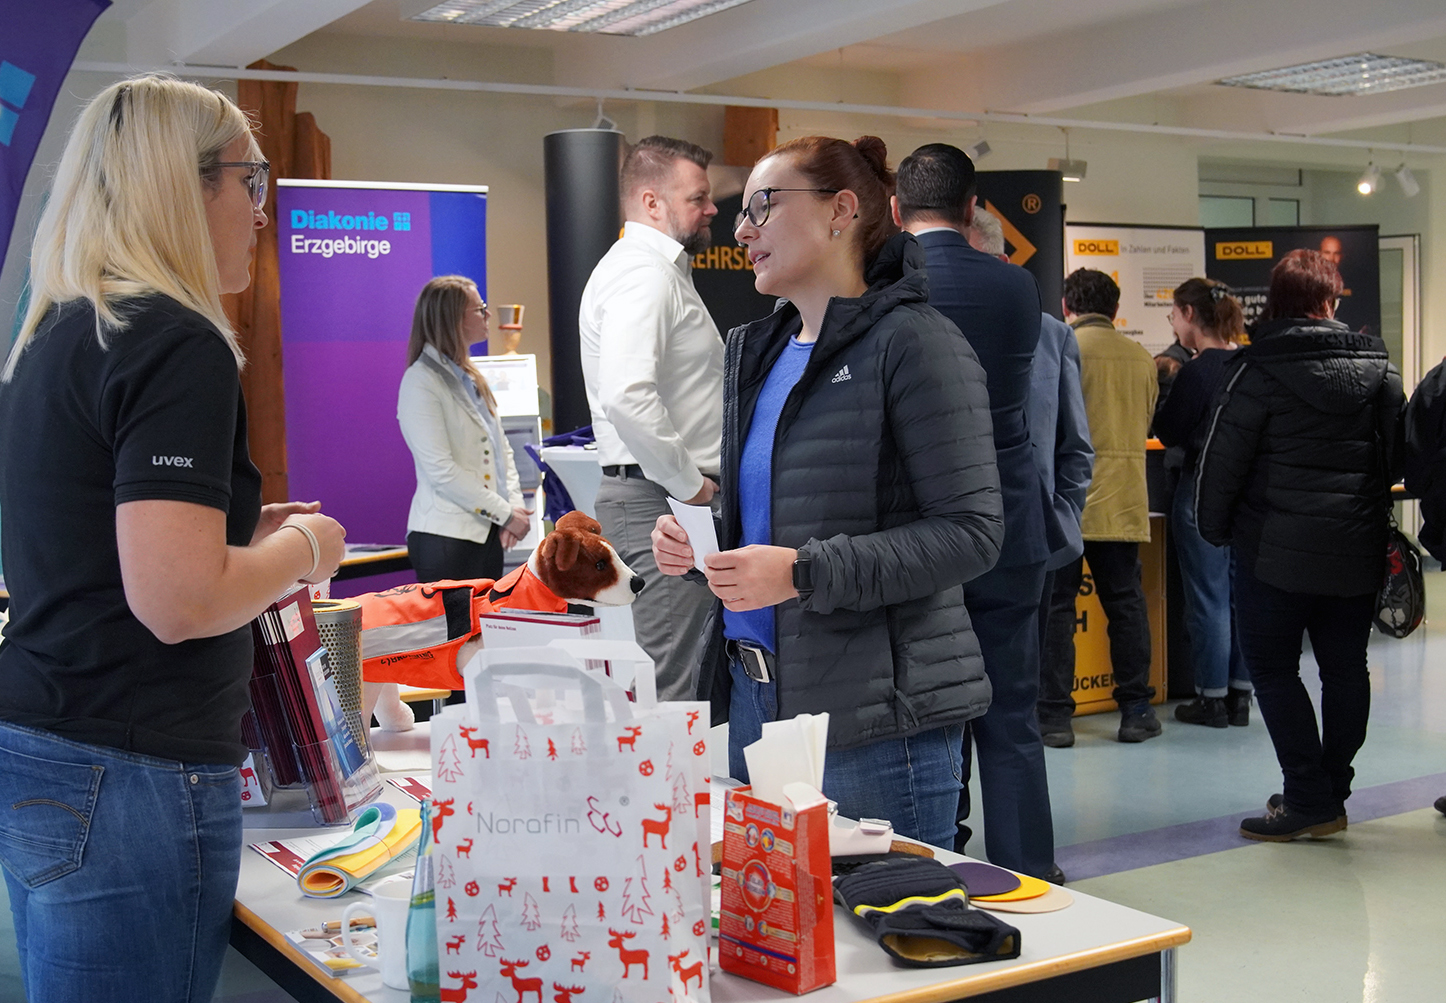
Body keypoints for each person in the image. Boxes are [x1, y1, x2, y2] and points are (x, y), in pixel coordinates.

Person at [0, 75, 347, 1003]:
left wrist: (239, 538)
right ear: (186, 187)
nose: (260, 211)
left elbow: (98, 548)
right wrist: (306, 550)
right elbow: (178, 599)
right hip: (131, 768)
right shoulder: (174, 338)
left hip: (50, 740)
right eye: (251, 179)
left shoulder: (61, 331)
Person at [651, 135, 1004, 849]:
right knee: (786, 946)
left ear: (841, 210)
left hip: (872, 723)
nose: (743, 229)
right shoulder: (760, 351)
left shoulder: (915, 342)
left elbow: (972, 531)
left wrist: (801, 572)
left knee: (881, 943)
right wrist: (709, 543)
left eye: (763, 206)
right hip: (761, 702)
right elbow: (789, 507)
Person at [1196, 249, 1404, 841]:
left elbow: (1222, 462)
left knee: (1273, 669)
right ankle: (1330, 791)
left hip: (1270, 553)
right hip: (1355, 550)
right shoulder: (1380, 373)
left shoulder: (1255, 370)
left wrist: (1213, 529)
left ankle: (1308, 796)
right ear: (1330, 301)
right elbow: (1398, 461)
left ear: (1277, 301)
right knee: (1345, 669)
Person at [893, 145, 1057, 878]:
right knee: (1012, 712)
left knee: (932, 707)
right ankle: (1033, 869)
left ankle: (942, 857)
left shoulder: (883, 290)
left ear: (895, 211)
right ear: (972, 209)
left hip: (923, 528)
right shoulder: (1016, 289)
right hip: (1012, 519)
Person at [579, 136, 724, 702]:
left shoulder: (651, 271)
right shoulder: (646, 274)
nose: (712, 209)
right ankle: (668, 794)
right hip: (658, 499)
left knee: (681, 677)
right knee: (674, 688)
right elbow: (627, 395)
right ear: (651, 202)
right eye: (699, 197)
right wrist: (692, 489)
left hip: (657, 493)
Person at [1038, 270, 1161, 746]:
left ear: (1068, 304)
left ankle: (1053, 718)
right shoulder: (1141, 358)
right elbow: (1147, 423)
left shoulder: (1062, 347)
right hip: (1125, 503)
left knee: (1058, 611)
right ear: (1114, 308)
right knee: (1126, 607)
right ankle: (1136, 711)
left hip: (1070, 502)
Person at [1152, 278, 1252, 728]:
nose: (1173, 324)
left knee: (1207, 597)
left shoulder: (1197, 370)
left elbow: (1169, 431)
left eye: (1173, 315)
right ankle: (1240, 696)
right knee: (1239, 595)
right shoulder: (1247, 364)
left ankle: (1210, 698)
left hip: (1199, 489)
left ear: (1189, 315)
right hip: (1246, 493)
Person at [398, 275, 529, 583]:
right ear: (453, 319)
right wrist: (505, 513)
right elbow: (441, 470)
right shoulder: (421, 381)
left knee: (487, 629)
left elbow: (501, 451)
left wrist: (515, 508)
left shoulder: (469, 376)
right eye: (479, 308)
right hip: (446, 539)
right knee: (458, 632)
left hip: (486, 535)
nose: (488, 315)